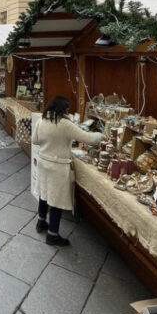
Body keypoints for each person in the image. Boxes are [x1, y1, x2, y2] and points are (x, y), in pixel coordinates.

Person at [31, 96, 103, 246]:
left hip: (44, 163)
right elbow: (88, 138)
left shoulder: (42, 120)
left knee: (44, 194)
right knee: (56, 201)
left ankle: (41, 222)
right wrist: (102, 136)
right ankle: (52, 235)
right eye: (67, 109)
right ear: (63, 109)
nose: (68, 111)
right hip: (58, 167)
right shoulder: (64, 124)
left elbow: (35, 140)